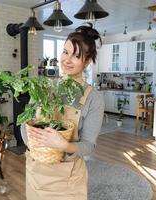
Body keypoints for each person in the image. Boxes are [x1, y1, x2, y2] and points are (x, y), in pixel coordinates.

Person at [21, 23, 105, 200]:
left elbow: (89, 145)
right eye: (65, 52)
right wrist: (37, 148)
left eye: (76, 55)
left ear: (87, 62)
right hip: (37, 172)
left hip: (67, 179)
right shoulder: (45, 87)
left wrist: (62, 146)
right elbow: (24, 124)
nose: (67, 60)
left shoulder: (93, 98)